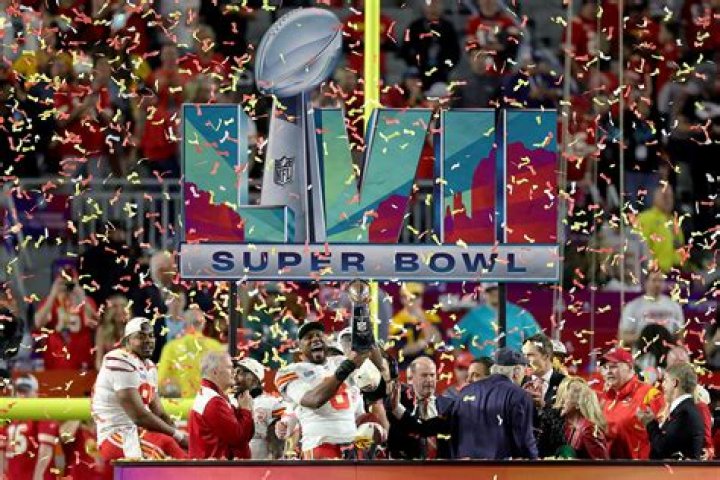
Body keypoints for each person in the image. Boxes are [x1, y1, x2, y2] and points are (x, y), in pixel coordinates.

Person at [274, 321, 382, 459]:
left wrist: (369, 339)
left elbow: (375, 374)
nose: (315, 339)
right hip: (319, 444)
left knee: (373, 431)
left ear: (327, 340)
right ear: (299, 346)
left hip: (351, 444)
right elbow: (313, 400)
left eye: (319, 335)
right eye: (308, 337)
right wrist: (347, 366)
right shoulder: (291, 371)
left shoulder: (339, 361)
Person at [92, 317, 187, 468]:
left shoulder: (149, 366)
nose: (148, 340)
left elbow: (159, 413)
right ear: (127, 341)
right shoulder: (118, 360)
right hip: (116, 434)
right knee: (161, 450)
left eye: (151, 336)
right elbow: (139, 416)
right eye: (141, 336)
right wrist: (178, 436)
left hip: (138, 432)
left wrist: (181, 436)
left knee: (184, 452)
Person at [448, 348, 538, 459]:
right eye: (524, 371)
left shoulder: (465, 392)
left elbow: (454, 433)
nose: (524, 376)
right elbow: (524, 440)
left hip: (465, 466)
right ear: (517, 371)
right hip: (499, 467)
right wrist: (534, 459)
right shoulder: (518, 395)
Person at [599, 347, 664, 459]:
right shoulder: (606, 397)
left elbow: (663, 437)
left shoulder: (650, 394)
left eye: (614, 366)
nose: (608, 371)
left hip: (639, 466)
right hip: (609, 465)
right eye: (605, 367)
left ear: (630, 367)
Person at [188, 351, 255, 459]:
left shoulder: (211, 395)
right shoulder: (214, 402)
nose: (234, 372)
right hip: (219, 468)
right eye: (229, 367)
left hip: (215, 466)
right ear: (215, 372)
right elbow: (239, 439)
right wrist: (245, 410)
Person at [452, 284, 541, 359]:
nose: (495, 293)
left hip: (514, 367)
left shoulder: (520, 314)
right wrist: (465, 365)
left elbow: (538, 340)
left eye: (497, 289)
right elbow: (456, 341)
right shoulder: (474, 316)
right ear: (483, 293)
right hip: (483, 369)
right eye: (490, 291)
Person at [386, 356, 450, 459]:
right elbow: (415, 428)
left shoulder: (448, 405)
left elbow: (424, 428)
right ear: (410, 379)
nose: (429, 380)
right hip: (405, 466)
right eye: (424, 375)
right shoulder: (397, 403)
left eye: (432, 375)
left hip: (443, 466)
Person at [637, 362, 705, 460]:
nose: (662, 385)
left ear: (675, 383)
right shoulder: (683, 410)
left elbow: (663, 448)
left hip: (676, 470)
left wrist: (650, 423)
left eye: (665, 380)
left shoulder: (685, 413)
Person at [35, 267, 97, 370]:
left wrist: (81, 296)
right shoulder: (50, 302)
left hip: (81, 359)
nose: (66, 285)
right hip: (55, 360)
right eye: (63, 281)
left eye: (70, 282)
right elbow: (38, 323)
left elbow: (96, 323)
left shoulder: (86, 302)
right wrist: (53, 294)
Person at [0, 375, 60, 480]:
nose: (22, 395)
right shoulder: (9, 418)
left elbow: (45, 449)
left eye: (26, 391)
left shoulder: (42, 414)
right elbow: (2, 451)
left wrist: (38, 476)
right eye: (19, 391)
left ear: (36, 392)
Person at [157, 305, 224, 398]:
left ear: (184, 323)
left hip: (181, 404)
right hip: (208, 403)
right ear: (203, 324)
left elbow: (162, 383)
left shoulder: (171, 347)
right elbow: (224, 380)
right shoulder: (216, 347)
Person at [522, 334, 566, 458]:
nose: (525, 361)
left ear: (546, 356)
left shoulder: (565, 384)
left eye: (530, 355)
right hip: (522, 458)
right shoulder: (519, 384)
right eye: (523, 355)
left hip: (553, 458)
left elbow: (568, 427)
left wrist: (544, 407)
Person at [236, 357, 286, 460]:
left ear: (255, 377)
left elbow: (278, 439)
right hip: (233, 464)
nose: (235, 377)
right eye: (234, 372)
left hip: (261, 463)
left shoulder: (271, 403)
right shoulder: (228, 402)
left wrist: (275, 459)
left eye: (240, 372)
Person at [619, 269, 684, 348]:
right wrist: (645, 337)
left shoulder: (674, 306)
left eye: (660, 281)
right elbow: (623, 336)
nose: (657, 284)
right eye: (654, 280)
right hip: (643, 351)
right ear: (646, 282)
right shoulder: (633, 306)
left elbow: (680, 334)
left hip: (667, 351)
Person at [554, 377, 609, 459]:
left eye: (564, 400)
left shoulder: (589, 430)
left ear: (578, 404)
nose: (560, 403)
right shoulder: (566, 425)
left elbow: (602, 464)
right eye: (560, 399)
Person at [633, 185, 685, 272]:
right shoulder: (645, 218)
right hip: (654, 274)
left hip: (675, 273)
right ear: (655, 197)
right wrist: (651, 270)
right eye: (664, 196)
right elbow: (639, 249)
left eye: (670, 196)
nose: (668, 200)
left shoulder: (674, 221)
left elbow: (681, 247)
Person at [389, 282, 442, 368]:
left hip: (430, 367)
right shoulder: (396, 322)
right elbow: (401, 350)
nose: (413, 300)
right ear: (402, 299)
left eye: (417, 296)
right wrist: (423, 342)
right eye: (409, 296)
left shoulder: (432, 317)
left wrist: (422, 319)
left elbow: (437, 340)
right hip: (407, 367)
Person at [94, 294, 129, 371]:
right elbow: (98, 360)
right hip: (108, 372)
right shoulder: (102, 330)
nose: (119, 310)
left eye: (123, 306)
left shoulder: (133, 329)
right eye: (115, 307)